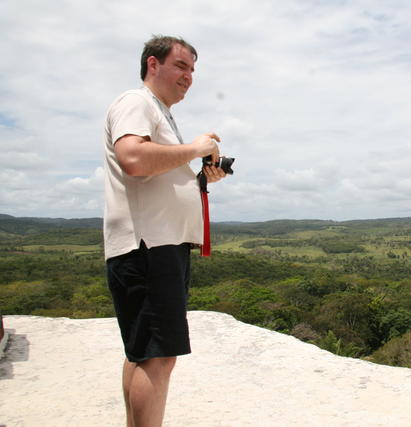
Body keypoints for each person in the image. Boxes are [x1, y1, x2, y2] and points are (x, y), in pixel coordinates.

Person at [102, 35, 226, 427]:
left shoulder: (158, 112)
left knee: (143, 352)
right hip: (149, 247)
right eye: (181, 66)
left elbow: (154, 173)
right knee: (157, 356)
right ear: (153, 64)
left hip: (155, 246)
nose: (189, 76)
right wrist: (194, 148)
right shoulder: (135, 102)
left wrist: (202, 177)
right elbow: (134, 158)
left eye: (193, 70)